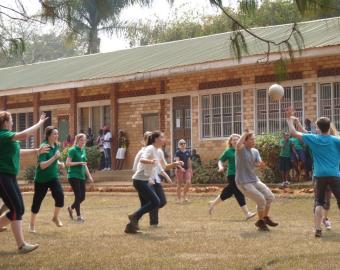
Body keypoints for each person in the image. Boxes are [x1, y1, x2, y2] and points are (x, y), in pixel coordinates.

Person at [286, 107, 340, 237]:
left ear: (319, 128)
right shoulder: (336, 140)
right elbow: (304, 132)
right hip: (334, 175)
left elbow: (294, 133)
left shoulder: (314, 139)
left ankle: (317, 230)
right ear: (328, 127)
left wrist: (288, 119)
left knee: (318, 202)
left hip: (319, 175)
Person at [0, 111, 48, 253]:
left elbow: (18, 152)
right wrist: (40, 123)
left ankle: (21, 244)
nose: (13, 123)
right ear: (4, 122)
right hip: (2, 176)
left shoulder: (8, 138)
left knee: (19, 209)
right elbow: (25, 135)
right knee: (15, 209)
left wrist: (37, 151)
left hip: (10, 176)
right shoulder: (2, 134)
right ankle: (21, 245)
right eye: (11, 120)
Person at [235, 129, 277, 231]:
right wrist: (244, 133)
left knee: (270, 197)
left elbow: (258, 163)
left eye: (254, 139)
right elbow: (237, 144)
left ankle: (264, 219)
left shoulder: (255, 151)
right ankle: (261, 223)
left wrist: (261, 165)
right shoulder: (241, 150)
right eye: (251, 139)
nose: (254, 141)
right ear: (245, 141)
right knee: (261, 199)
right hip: (243, 182)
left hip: (254, 180)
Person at [125, 131, 164, 234]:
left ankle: (130, 227)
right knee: (156, 202)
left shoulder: (156, 150)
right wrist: (151, 162)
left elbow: (161, 167)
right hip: (139, 180)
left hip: (144, 180)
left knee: (145, 205)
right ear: (156, 139)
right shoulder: (150, 148)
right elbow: (142, 160)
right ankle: (134, 216)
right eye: (162, 137)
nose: (163, 139)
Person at [209, 134, 256, 220]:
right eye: (233, 139)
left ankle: (213, 203)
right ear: (230, 141)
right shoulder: (228, 151)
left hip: (242, 175)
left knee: (229, 191)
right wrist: (221, 167)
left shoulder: (243, 150)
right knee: (238, 192)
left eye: (237, 139)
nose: (235, 140)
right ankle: (247, 213)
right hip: (232, 175)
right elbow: (220, 160)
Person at [29, 126, 65, 233]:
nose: (57, 136)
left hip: (53, 177)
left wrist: (59, 163)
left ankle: (55, 217)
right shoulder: (44, 147)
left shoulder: (56, 145)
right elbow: (42, 165)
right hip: (41, 180)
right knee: (37, 202)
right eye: (54, 134)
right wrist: (54, 158)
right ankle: (31, 225)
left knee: (60, 197)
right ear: (48, 135)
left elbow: (54, 159)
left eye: (57, 134)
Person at [66, 133, 94, 223]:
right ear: (77, 140)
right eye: (81, 140)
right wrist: (78, 163)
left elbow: (84, 164)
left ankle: (71, 208)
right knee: (78, 196)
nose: (83, 142)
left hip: (81, 176)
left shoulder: (83, 150)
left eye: (84, 140)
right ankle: (79, 217)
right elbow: (67, 163)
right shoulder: (72, 150)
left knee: (82, 197)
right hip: (73, 175)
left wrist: (89, 176)